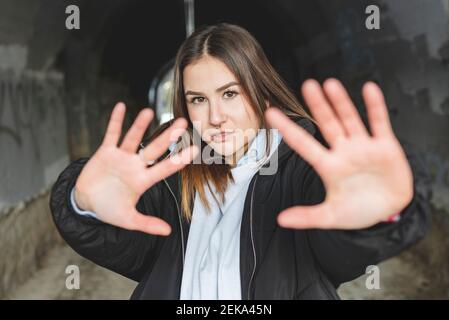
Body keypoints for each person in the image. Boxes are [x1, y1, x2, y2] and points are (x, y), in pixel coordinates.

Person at [49, 23, 431, 300]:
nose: (215, 117)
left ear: (261, 92)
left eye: (230, 93)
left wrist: (372, 218)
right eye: (198, 99)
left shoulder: (302, 165)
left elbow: (339, 249)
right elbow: (132, 248)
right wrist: (84, 207)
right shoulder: (173, 169)